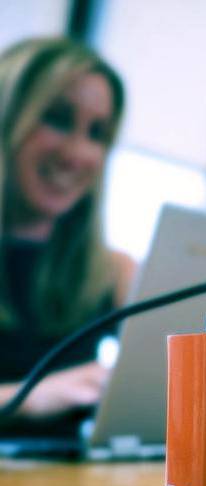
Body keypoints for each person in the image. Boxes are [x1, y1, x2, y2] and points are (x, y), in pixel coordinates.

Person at [0, 38, 135, 431]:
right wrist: (29, 396)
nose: (77, 153)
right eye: (57, 119)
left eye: (97, 133)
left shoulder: (113, 274)